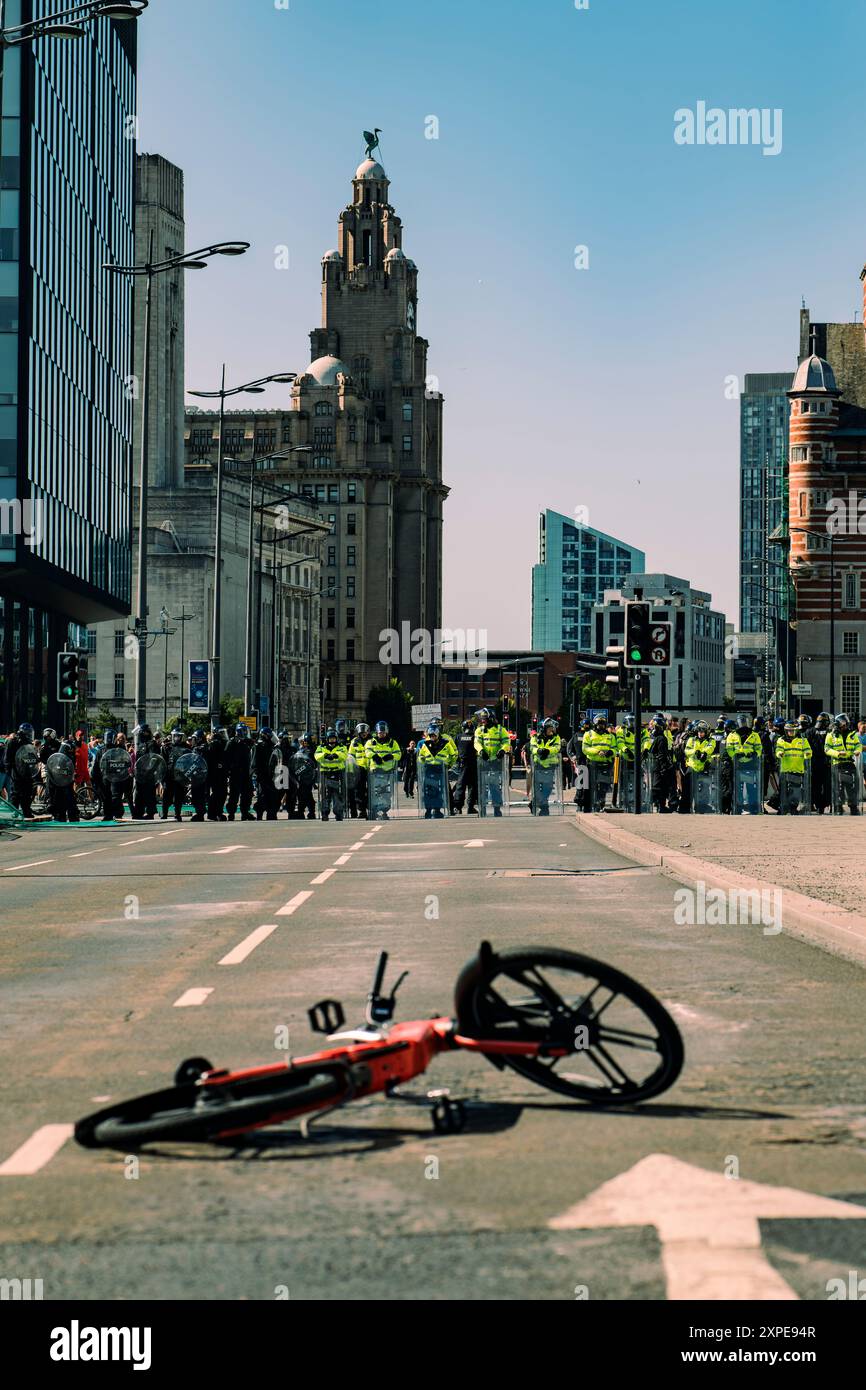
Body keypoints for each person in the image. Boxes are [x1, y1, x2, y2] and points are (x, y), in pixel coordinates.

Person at [474, 708, 509, 817]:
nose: (483, 721)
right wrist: (481, 750)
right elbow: (477, 742)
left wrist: (503, 750)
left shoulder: (500, 729)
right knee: (482, 786)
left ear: (490, 718)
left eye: (485, 719)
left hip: (495, 761)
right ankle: (482, 808)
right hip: (483, 761)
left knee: (494, 786)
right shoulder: (479, 730)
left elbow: (506, 741)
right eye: (482, 719)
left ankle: (497, 808)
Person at [365, 720, 402, 820]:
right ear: (376, 732)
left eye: (383, 732)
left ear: (387, 732)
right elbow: (367, 752)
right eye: (380, 732)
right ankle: (374, 811)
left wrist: (391, 756)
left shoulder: (392, 743)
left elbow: (398, 754)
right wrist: (374, 756)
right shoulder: (371, 742)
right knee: (376, 792)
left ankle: (384, 811)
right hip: (375, 771)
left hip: (387, 771)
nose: (381, 734)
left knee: (386, 793)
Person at [726, 714, 763, 814]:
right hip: (737, 765)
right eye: (741, 721)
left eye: (745, 721)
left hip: (750, 764)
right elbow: (729, 749)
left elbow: (759, 748)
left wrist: (754, 754)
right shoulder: (732, 735)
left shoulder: (754, 734)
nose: (743, 724)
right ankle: (738, 808)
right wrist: (735, 755)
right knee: (738, 788)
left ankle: (753, 808)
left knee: (751, 787)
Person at [417, 724, 455, 818]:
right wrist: (422, 762)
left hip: (440, 769)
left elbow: (453, 755)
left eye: (434, 735)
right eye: (431, 736)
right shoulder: (425, 744)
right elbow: (420, 756)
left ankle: (438, 810)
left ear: (437, 734)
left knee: (439, 790)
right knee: (428, 791)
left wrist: (449, 764)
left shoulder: (445, 743)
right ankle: (428, 810)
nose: (432, 737)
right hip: (429, 769)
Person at [826, 714, 861, 815]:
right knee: (838, 787)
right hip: (837, 763)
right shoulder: (831, 735)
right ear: (838, 725)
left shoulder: (852, 734)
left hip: (849, 762)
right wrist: (837, 754)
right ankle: (838, 807)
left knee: (852, 785)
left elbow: (858, 745)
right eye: (844, 725)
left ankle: (853, 807)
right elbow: (827, 749)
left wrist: (857, 751)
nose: (846, 726)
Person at [582, 714, 617, 811]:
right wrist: (597, 751)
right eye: (599, 724)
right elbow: (585, 749)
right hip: (593, 764)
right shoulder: (588, 734)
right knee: (591, 786)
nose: (601, 726)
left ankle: (600, 802)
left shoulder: (610, 736)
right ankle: (590, 806)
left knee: (603, 786)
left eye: (603, 724)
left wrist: (610, 752)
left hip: (606, 764)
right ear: (595, 724)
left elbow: (615, 749)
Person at [775, 720, 812, 815]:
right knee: (783, 791)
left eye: (792, 730)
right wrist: (779, 753)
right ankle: (783, 808)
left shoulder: (803, 740)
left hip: (797, 769)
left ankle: (793, 808)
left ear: (796, 731)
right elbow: (778, 749)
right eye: (788, 730)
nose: (790, 732)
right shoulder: (781, 740)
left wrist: (807, 754)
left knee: (795, 791)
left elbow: (808, 751)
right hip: (785, 770)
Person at [528, 717, 561, 815]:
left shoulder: (556, 737)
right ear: (543, 729)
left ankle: (535, 803)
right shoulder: (535, 737)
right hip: (538, 766)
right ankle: (544, 807)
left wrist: (548, 751)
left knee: (548, 788)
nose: (552, 730)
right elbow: (532, 748)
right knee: (537, 788)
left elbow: (557, 748)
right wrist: (539, 751)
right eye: (550, 728)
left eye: (553, 728)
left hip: (550, 766)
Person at [4, 723, 38, 818]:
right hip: (16, 770)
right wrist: (9, 770)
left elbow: (31, 755)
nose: (30, 735)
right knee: (16, 793)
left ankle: (26, 811)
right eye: (28, 732)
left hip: (27, 771)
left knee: (27, 792)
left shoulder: (28, 743)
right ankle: (14, 812)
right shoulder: (13, 742)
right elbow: (7, 757)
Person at [315, 727, 348, 821]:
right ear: (327, 739)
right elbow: (317, 756)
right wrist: (325, 755)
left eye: (333, 738)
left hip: (338, 773)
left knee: (338, 794)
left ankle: (339, 813)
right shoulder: (321, 747)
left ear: (336, 738)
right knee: (325, 795)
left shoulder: (341, 747)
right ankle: (324, 813)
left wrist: (336, 755)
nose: (332, 740)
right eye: (330, 738)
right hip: (325, 773)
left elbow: (344, 755)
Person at [684, 721, 716, 814]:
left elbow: (710, 748)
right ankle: (685, 808)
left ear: (706, 732)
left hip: (703, 768)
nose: (700, 733)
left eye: (702, 731)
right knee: (688, 789)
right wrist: (695, 751)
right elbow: (687, 750)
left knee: (704, 789)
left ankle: (701, 807)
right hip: (692, 767)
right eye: (699, 731)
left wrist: (704, 753)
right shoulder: (692, 739)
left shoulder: (711, 740)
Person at [225, 723, 255, 821]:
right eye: (244, 731)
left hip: (247, 772)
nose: (246, 733)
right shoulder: (232, 742)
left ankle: (245, 812)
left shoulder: (248, 742)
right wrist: (229, 771)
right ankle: (231, 814)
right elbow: (227, 758)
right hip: (236, 773)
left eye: (246, 731)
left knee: (248, 794)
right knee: (234, 794)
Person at [131, 724, 161, 820]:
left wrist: (150, 769)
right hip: (140, 773)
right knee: (139, 794)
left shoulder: (152, 744)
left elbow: (155, 758)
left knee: (149, 794)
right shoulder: (140, 745)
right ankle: (138, 812)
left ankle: (150, 812)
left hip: (149, 774)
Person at [645, 715, 673, 812]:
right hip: (659, 765)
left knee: (657, 786)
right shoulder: (661, 738)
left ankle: (660, 806)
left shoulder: (652, 737)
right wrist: (664, 767)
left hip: (653, 764)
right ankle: (657, 805)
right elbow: (662, 754)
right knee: (660, 787)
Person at [253, 727, 281, 821]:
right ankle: (259, 815)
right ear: (266, 736)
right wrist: (258, 775)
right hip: (262, 777)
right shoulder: (258, 746)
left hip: (271, 776)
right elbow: (254, 763)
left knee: (272, 797)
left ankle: (271, 814)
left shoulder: (270, 746)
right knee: (262, 796)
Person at [161, 728, 187, 822]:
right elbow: (162, 762)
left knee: (178, 797)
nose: (177, 738)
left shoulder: (185, 748)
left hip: (180, 776)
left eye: (178, 736)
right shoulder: (167, 748)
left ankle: (177, 814)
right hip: (169, 776)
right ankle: (164, 814)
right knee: (166, 796)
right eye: (175, 736)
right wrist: (162, 777)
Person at [452, 718, 478, 815]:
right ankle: (470, 807)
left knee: (460, 786)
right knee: (473, 786)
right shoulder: (475, 737)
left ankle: (458, 807)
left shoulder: (458, 737)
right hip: (473, 763)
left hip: (462, 764)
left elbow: (454, 749)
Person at [808, 712, 832, 813]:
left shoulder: (810, 731)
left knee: (816, 786)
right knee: (827, 786)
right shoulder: (829, 731)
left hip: (815, 763)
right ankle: (825, 804)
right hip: (826, 762)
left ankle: (818, 806)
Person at [292, 733, 318, 819]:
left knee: (303, 794)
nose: (302, 743)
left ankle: (302, 812)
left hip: (305, 776)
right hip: (307, 776)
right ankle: (309, 812)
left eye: (303, 742)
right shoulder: (312, 749)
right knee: (306, 794)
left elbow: (308, 763)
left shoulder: (308, 751)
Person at [206, 727, 230, 821]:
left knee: (221, 794)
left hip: (221, 773)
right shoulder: (215, 744)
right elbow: (213, 759)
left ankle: (217, 813)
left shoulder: (221, 743)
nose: (224, 734)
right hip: (216, 774)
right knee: (218, 793)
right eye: (221, 733)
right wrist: (219, 765)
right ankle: (213, 813)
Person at [347, 723, 369, 819]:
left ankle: (372, 808)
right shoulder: (354, 741)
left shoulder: (372, 740)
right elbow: (350, 756)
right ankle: (362, 811)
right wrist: (352, 770)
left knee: (373, 789)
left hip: (371, 768)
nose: (363, 734)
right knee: (359, 791)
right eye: (362, 732)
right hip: (359, 769)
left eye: (365, 732)